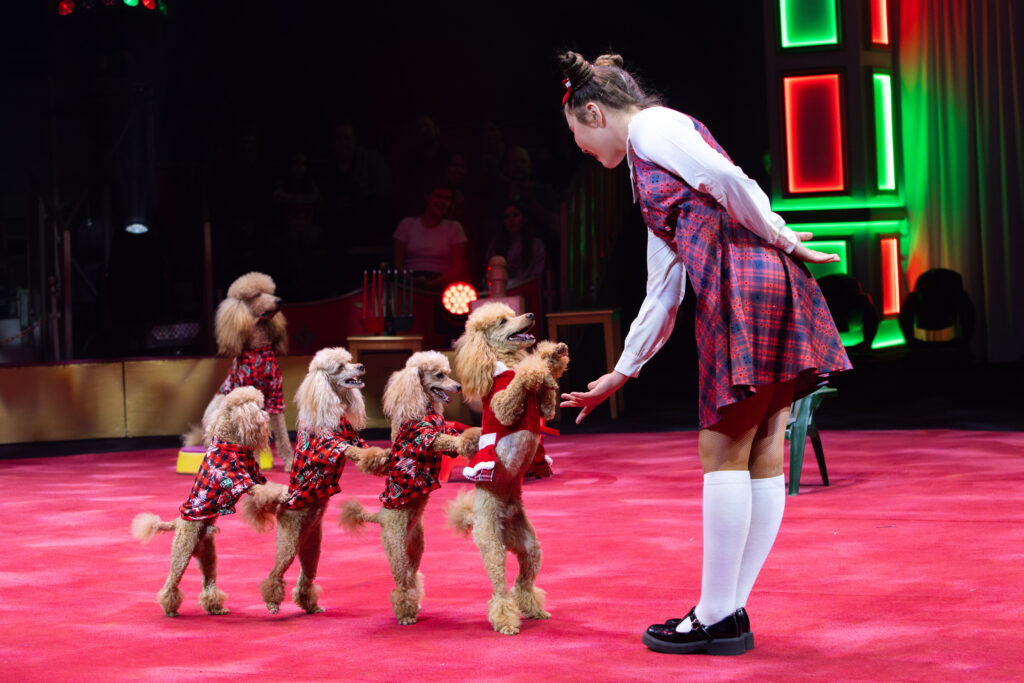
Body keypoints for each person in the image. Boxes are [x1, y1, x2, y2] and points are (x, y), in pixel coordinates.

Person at [556, 51, 851, 656]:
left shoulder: (655, 127)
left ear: (594, 111)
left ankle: (715, 615)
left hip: (743, 282)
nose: (580, 148)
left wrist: (783, 236)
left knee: (722, 446)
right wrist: (622, 370)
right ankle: (727, 613)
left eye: (577, 135)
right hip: (757, 281)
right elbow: (662, 291)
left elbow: (731, 180)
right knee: (760, 445)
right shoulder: (644, 165)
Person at [392, 181, 469, 291]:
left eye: (447, 199)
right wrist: (411, 280)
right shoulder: (407, 224)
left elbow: (459, 267)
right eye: (438, 196)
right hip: (409, 284)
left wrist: (433, 283)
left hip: (442, 285)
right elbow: (397, 264)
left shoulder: (455, 228)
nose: (442, 202)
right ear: (427, 197)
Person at [483, 201, 546, 289]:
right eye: (506, 217)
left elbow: (537, 275)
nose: (511, 220)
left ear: (524, 219)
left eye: (515, 215)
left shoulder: (536, 245)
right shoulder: (495, 246)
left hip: (527, 291)